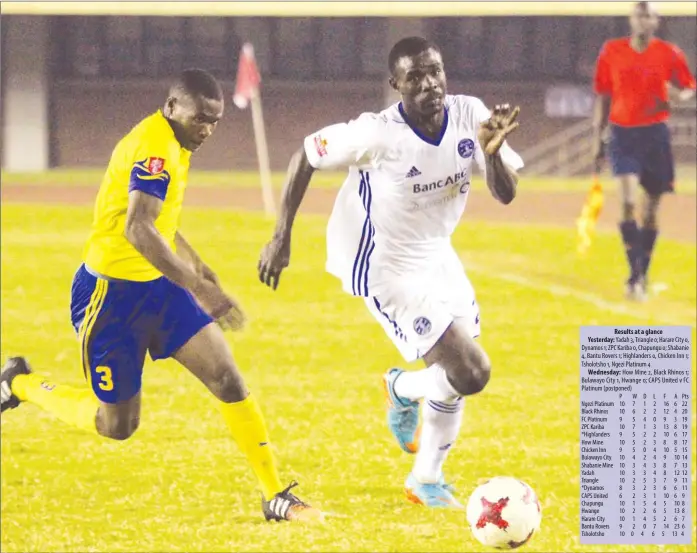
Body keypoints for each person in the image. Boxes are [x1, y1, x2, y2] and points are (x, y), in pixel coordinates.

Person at [0, 68, 320, 523]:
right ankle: (20, 382)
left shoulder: (175, 142)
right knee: (117, 426)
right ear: (172, 107)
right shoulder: (155, 147)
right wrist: (198, 286)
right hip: (110, 299)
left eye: (214, 120)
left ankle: (274, 495)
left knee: (227, 379)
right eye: (199, 119)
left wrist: (197, 264)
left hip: (159, 288)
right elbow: (137, 228)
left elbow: (161, 216)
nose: (206, 129)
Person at [257, 37, 524, 508]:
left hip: (436, 254)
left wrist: (494, 152)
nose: (429, 84)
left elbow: (505, 195)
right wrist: (282, 236)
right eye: (415, 77)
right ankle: (401, 389)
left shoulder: (469, 115)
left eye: (435, 71)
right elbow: (306, 154)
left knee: (459, 371)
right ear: (395, 84)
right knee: (471, 371)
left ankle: (425, 476)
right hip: (384, 265)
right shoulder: (377, 134)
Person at [591, 1, 696, 301]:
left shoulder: (669, 53)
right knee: (626, 202)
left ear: (655, 21)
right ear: (632, 19)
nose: (642, 19)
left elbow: (687, 87)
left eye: (648, 14)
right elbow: (603, 96)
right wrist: (596, 139)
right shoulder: (612, 51)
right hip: (623, 134)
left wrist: (678, 93)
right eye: (639, 13)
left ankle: (641, 273)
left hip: (655, 136)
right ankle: (634, 274)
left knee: (650, 211)